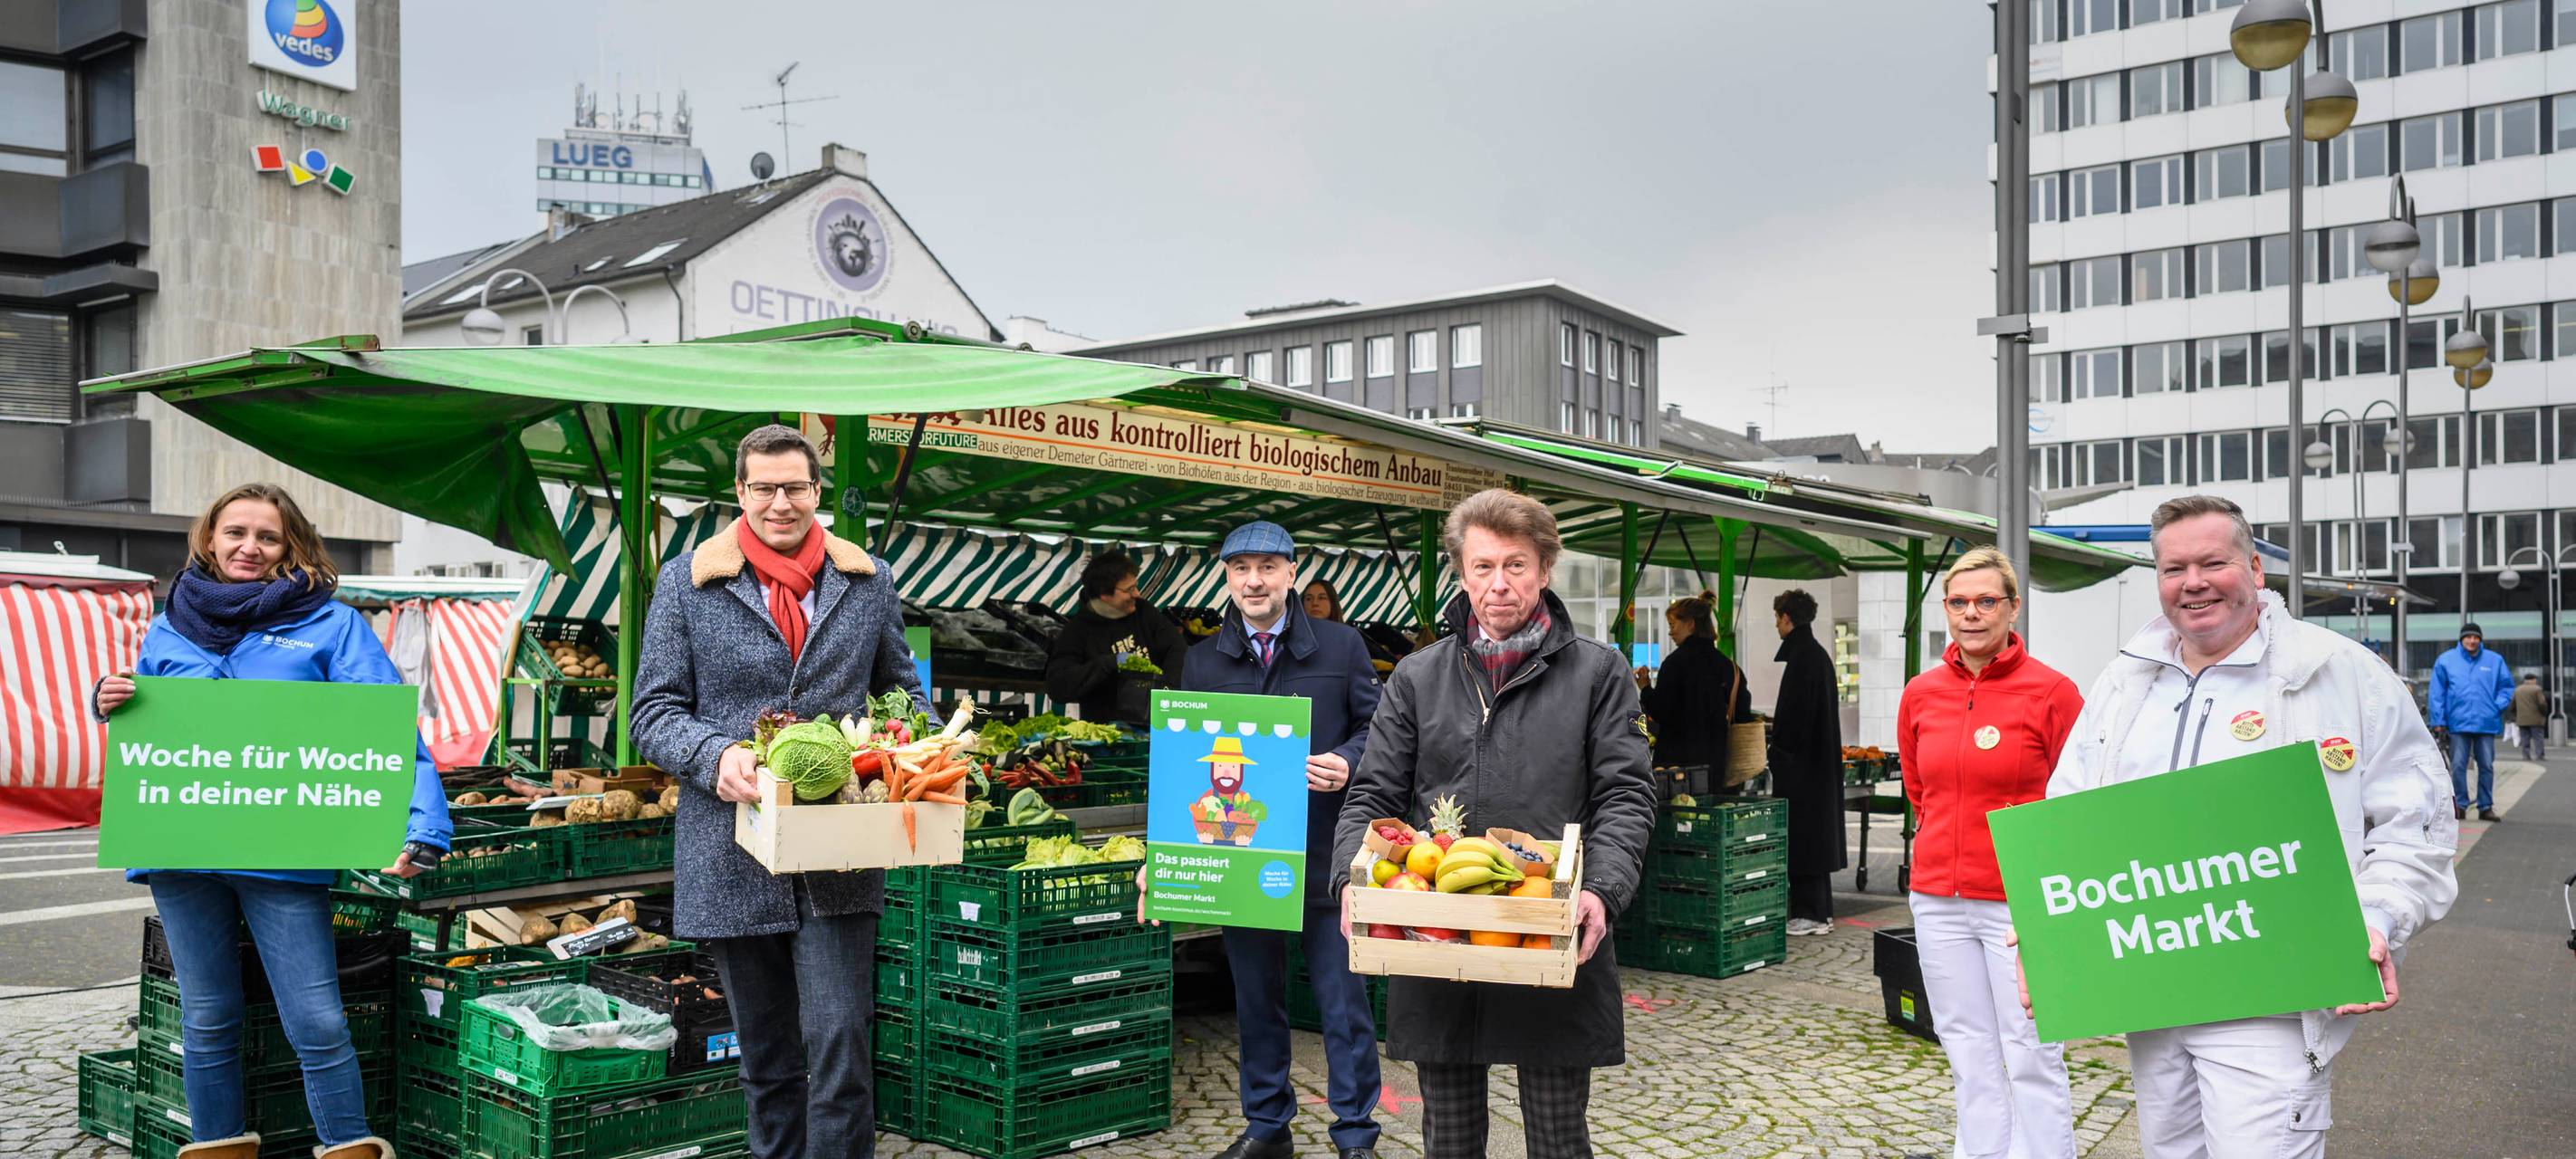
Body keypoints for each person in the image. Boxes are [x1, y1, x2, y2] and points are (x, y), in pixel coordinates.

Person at [2042, 495, 2456, 1159]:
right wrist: (2053, 935)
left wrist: (2377, 918)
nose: (2194, 582)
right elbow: (2072, 821)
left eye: (2214, 562)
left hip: (2272, 995)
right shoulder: (2125, 683)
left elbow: (2417, 826)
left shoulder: (2337, 673)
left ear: (2257, 569)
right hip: (2153, 992)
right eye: (2174, 568)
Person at [93, 483, 448, 1159]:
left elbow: (386, 732)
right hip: (183, 852)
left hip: (282, 853)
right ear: (209, 538)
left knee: (315, 1020)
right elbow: (149, 715)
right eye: (236, 533)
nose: (249, 548)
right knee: (207, 1017)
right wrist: (109, 698)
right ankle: (219, 1147)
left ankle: (348, 1147)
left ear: (291, 547)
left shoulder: (331, 624)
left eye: (268, 536)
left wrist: (423, 824)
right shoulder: (171, 622)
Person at [630, 424, 928, 1159]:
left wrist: (906, 750)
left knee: (839, 1050)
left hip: (841, 849)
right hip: (731, 850)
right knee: (765, 1061)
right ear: (740, 492)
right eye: (763, 487)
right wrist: (714, 753)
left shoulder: (867, 582)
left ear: (817, 493)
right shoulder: (687, 581)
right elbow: (652, 711)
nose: (779, 502)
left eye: (794, 487)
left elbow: (902, 696)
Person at [1332, 488, 1657, 1159]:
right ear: (1461, 574)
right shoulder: (1418, 678)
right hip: (1435, 927)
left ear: (1545, 570)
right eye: (1483, 567)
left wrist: (1601, 889)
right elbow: (1373, 794)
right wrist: (1349, 881)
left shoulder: (1599, 673)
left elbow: (1626, 795)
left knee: (1558, 1135)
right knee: (1447, 1138)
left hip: (1549, 926)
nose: (1499, 584)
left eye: (1516, 565)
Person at [1177, 522, 1384, 1159]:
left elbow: (1382, 729)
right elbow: (1189, 757)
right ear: (1227, 577)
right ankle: (1267, 1127)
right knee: (1256, 1001)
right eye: (1241, 569)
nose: (1254, 580)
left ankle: (1355, 1136)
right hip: (1243, 857)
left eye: (1268, 566)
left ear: (1292, 573)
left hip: (1327, 857)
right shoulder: (1203, 659)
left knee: (1342, 1005)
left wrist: (1349, 761)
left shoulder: (1343, 646)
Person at [1896, 547, 2081, 1159]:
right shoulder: (1921, 694)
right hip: (1938, 900)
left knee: (2031, 1052)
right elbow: (1919, 792)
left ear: (2012, 607)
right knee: (1968, 1051)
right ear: (1946, 609)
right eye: (1959, 602)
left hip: (2019, 904)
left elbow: (2076, 799)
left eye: (1986, 601)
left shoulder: (2052, 693)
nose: (1971, 613)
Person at [1769, 588, 1847, 935]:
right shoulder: (1816, 655)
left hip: (1802, 770)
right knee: (1813, 839)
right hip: (1816, 768)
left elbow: (1793, 720)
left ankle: (1809, 913)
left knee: (1803, 839)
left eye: (1777, 617)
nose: (1776, 625)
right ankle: (1819, 911)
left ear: (1787, 617)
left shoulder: (1802, 659)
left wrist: (1778, 753)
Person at [1044, 551, 1187, 728]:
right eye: (1129, 589)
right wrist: (1109, 664)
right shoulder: (1077, 631)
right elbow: (1058, 687)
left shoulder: (1144, 612)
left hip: (1155, 726)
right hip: (1107, 735)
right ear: (1104, 594)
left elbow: (1177, 649)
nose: (1137, 594)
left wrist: (1169, 693)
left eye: (1136, 586)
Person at [1633, 589, 1753, 797]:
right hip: (1718, 769)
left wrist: (1645, 689)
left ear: (1690, 624)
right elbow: (1742, 715)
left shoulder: (1674, 664)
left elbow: (1662, 712)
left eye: (1672, 625)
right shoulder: (1729, 668)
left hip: (1676, 773)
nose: (1670, 632)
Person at [2428, 621, 2514, 822]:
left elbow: (2507, 687)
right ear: (2461, 639)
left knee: (2486, 766)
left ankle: (2485, 806)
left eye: (2476, 637)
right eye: (2468, 637)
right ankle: (2461, 806)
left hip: (2486, 722)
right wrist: (2438, 720)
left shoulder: (2495, 660)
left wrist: (2496, 706)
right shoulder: (2446, 660)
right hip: (2458, 723)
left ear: (2480, 640)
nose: (2472, 640)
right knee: (2458, 765)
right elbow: (2437, 693)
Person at [2510, 672, 2548, 761]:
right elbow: (2542, 703)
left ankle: (2526, 755)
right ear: (2533, 680)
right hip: (2536, 719)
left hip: (2522, 719)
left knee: (2524, 738)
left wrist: (2516, 714)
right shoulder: (2537, 689)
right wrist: (2544, 712)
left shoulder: (2517, 690)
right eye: (2535, 680)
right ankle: (2539, 755)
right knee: (2538, 738)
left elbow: (2512, 705)